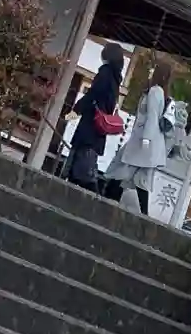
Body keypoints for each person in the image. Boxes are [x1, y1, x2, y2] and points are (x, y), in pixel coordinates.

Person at [108, 63, 172, 214]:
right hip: (144, 142)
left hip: (144, 142)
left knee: (123, 172)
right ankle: (140, 213)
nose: (150, 71)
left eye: (154, 69)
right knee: (136, 178)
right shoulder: (157, 91)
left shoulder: (155, 91)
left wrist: (146, 138)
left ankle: (109, 202)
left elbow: (152, 116)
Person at [66, 44, 125, 191]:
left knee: (82, 172)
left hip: (89, 127)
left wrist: (76, 110)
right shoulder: (116, 79)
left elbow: (92, 95)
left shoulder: (105, 73)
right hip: (98, 130)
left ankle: (94, 199)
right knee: (83, 169)